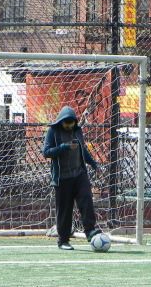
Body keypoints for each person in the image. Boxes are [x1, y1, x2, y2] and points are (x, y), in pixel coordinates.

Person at [43, 106, 102, 250]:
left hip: (79, 174)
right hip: (62, 178)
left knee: (86, 199)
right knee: (65, 209)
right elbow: (46, 152)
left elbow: (83, 151)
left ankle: (90, 231)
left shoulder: (77, 131)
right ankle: (63, 240)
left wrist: (94, 164)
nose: (69, 126)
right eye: (66, 123)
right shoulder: (53, 131)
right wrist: (63, 147)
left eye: (71, 123)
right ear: (61, 122)